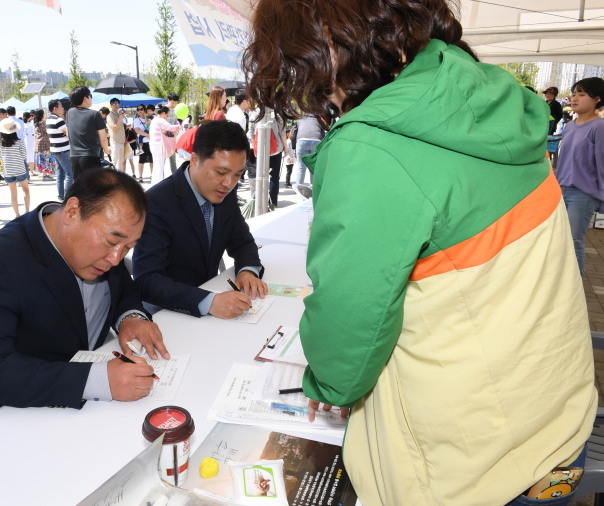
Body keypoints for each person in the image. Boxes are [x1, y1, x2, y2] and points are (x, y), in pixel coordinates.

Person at [242, 1, 596, 505]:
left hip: (473, 465)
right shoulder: (487, 93)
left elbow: (345, 351)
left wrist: (324, 382)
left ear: (322, 49)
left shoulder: (372, 146)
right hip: (553, 417)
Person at [0, 168, 169, 445]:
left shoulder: (98, 251)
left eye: (128, 247)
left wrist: (131, 317)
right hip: (3, 423)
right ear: (71, 212)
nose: (116, 259)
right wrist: (99, 379)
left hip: (75, 418)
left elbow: (122, 289)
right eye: (112, 241)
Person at [133, 121, 267, 318]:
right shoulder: (157, 202)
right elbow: (147, 280)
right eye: (220, 172)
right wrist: (208, 302)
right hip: (167, 314)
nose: (228, 184)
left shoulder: (224, 193)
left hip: (211, 306)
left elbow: (242, 241)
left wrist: (247, 271)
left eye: (237, 175)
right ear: (195, 160)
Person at [555, 77, 604, 276]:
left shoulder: (599, 127)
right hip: (562, 190)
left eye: (582, 95)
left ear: (596, 99)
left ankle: (576, 289)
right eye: (574, 94)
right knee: (560, 240)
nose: (575, 98)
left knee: (573, 239)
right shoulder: (570, 126)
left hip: (583, 194)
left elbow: (602, 164)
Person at [66, 85, 111, 180]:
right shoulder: (95, 114)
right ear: (85, 98)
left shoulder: (70, 112)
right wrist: (107, 150)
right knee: (93, 188)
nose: (91, 98)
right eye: (90, 96)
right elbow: (103, 138)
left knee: (79, 188)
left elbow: (68, 132)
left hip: (74, 156)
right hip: (90, 156)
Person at [0, 118, 30, 217]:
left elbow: (0, 156)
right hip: (20, 169)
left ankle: (17, 215)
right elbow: (24, 156)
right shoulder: (19, 142)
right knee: (26, 190)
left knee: (13, 194)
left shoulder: (0, 143)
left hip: (8, 171)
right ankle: (27, 211)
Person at [47, 99, 73, 201]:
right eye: (61, 106)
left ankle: (61, 196)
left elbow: (65, 133)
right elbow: (69, 134)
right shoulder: (58, 120)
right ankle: (67, 197)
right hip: (63, 150)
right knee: (70, 174)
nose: (63, 108)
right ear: (55, 108)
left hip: (55, 149)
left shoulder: (49, 119)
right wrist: (67, 133)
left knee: (60, 174)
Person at [148, 106, 181, 187]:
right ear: (163, 113)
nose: (167, 116)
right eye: (167, 114)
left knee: (156, 166)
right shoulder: (160, 120)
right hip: (158, 145)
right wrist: (179, 126)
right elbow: (170, 127)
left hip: (153, 145)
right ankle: (159, 187)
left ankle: (154, 185)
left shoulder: (154, 120)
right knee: (160, 167)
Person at [293, 114, 324, 185]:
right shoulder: (318, 119)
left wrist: (293, 147)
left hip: (301, 141)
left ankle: (299, 187)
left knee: (301, 167)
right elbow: (322, 133)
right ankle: (313, 188)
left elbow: (294, 133)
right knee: (313, 166)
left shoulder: (299, 118)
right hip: (316, 140)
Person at [106, 98, 127, 173]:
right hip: (115, 142)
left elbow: (120, 127)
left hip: (121, 141)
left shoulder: (119, 114)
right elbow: (114, 128)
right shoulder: (110, 116)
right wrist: (120, 119)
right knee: (114, 162)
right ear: (111, 105)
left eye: (118, 104)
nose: (116, 105)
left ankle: (119, 179)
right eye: (114, 104)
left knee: (120, 162)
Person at [33, 109, 52, 181]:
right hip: (44, 144)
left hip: (38, 144)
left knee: (42, 160)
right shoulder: (43, 123)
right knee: (45, 159)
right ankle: (45, 175)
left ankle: (44, 174)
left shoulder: (35, 123)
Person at [133, 104, 152, 181]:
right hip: (142, 143)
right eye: (138, 109)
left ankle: (152, 175)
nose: (140, 111)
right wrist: (147, 135)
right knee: (141, 160)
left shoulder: (149, 118)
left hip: (151, 142)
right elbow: (137, 130)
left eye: (141, 109)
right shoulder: (136, 120)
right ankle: (140, 176)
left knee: (152, 160)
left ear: (145, 110)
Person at [166, 93, 180, 174]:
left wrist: (176, 130)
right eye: (172, 102)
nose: (174, 104)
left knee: (173, 159)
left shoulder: (175, 110)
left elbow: (176, 122)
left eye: (175, 103)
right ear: (168, 100)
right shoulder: (163, 110)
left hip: (172, 137)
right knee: (162, 159)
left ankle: (174, 175)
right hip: (164, 138)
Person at [22, 111, 36, 176]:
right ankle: (31, 171)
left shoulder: (21, 125)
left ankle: (25, 172)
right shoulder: (30, 125)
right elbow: (34, 133)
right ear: (29, 117)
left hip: (22, 143)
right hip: (30, 143)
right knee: (30, 158)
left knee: (24, 158)